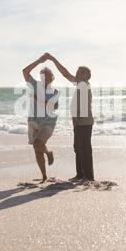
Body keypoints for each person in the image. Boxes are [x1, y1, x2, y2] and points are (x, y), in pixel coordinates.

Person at [46, 53, 95, 182]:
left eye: (80, 72)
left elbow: (84, 106)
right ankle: (80, 174)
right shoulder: (80, 84)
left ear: (87, 76)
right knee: (78, 148)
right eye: (77, 71)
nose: (77, 73)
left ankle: (89, 177)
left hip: (83, 121)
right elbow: (65, 74)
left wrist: (77, 120)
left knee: (84, 148)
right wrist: (53, 59)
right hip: (79, 121)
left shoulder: (84, 85)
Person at [22, 54, 59, 183]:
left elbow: (55, 106)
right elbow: (25, 71)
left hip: (48, 123)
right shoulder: (33, 84)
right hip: (33, 121)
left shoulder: (54, 92)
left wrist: (40, 100)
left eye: (48, 75)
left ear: (51, 77)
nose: (45, 77)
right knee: (37, 150)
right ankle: (44, 176)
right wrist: (39, 61)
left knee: (38, 144)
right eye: (43, 74)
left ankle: (49, 153)